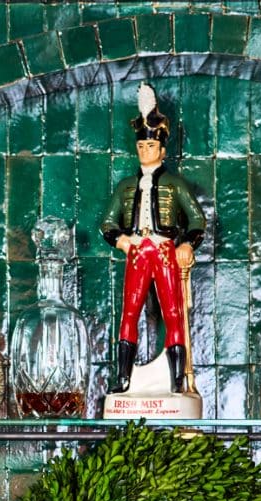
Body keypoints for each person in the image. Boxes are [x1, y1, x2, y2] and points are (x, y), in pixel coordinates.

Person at [101, 83, 206, 394]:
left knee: (173, 311)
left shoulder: (175, 184)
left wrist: (186, 243)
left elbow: (197, 219)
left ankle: (176, 380)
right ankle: (123, 377)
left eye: (150, 147)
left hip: (164, 251)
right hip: (137, 251)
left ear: (162, 149)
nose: (145, 151)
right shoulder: (125, 186)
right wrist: (122, 240)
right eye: (141, 147)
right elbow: (108, 222)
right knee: (129, 310)